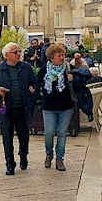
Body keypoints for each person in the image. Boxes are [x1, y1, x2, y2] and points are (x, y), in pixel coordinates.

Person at [0, 42, 37, 176]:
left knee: (24, 136)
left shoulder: (26, 68)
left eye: (19, 51)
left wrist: (33, 88)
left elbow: (34, 82)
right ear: (7, 55)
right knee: (7, 138)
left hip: (22, 108)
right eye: (16, 52)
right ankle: (10, 164)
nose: (19, 54)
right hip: (5, 109)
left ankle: (23, 155)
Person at [38, 43, 75, 171]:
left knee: (62, 133)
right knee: (48, 133)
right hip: (49, 107)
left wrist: (72, 79)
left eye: (63, 55)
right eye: (59, 55)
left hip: (66, 107)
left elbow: (83, 76)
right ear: (52, 58)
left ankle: (60, 159)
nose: (62, 57)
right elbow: (37, 83)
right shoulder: (44, 70)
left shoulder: (69, 68)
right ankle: (49, 154)